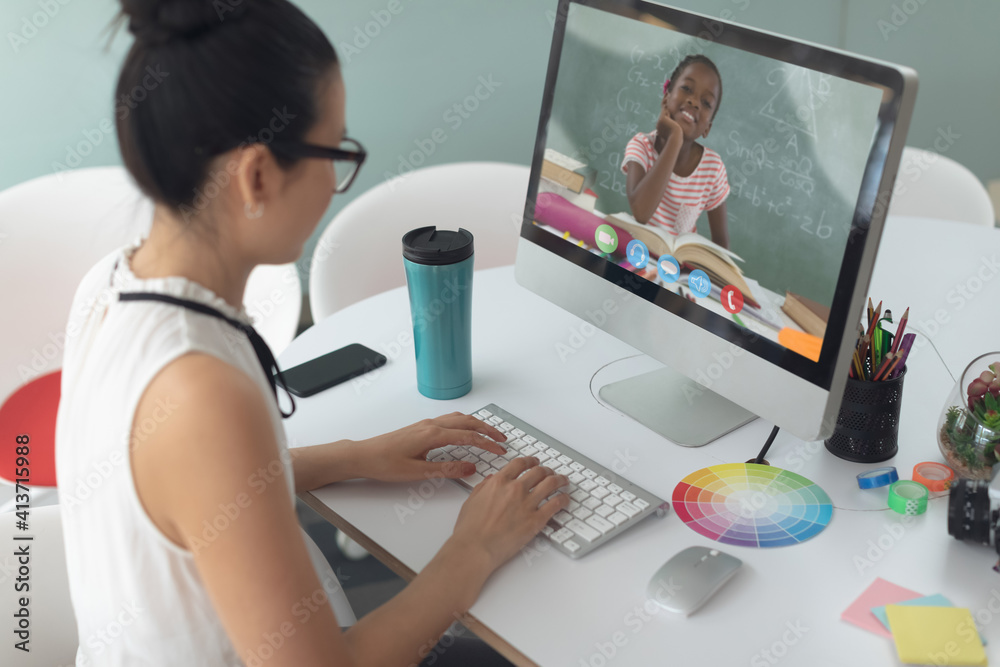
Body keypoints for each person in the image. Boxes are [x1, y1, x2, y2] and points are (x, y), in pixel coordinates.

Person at [54, 1, 569, 665]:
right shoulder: (202, 392)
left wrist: (356, 454)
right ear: (258, 174)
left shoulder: (107, 285)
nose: (335, 183)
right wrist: (475, 547)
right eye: (335, 152)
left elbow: (190, 488)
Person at [621, 54, 730, 249]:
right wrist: (675, 139)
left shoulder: (713, 169)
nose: (694, 102)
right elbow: (641, 211)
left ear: (707, 128)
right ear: (666, 97)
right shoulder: (641, 146)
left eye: (706, 103)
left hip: (676, 270)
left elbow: (721, 244)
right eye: (687, 89)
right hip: (634, 255)